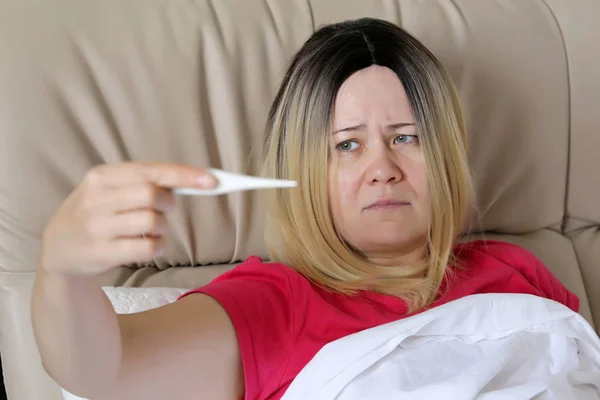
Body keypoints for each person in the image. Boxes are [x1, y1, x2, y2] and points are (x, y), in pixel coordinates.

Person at [31, 17, 579, 400]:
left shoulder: (519, 273)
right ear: (304, 169)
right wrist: (63, 272)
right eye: (347, 145)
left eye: (407, 137)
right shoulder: (275, 304)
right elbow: (105, 372)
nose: (382, 166)